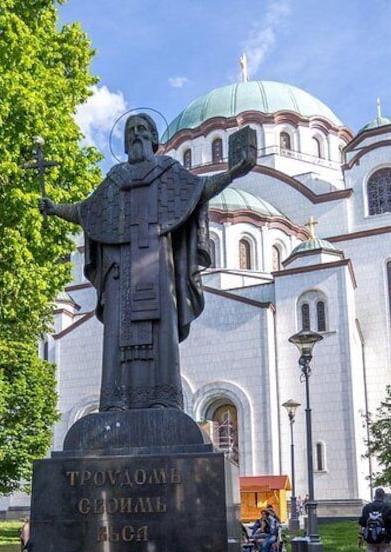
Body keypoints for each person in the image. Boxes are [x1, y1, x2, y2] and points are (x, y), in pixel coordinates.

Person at [40, 113, 255, 411]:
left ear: (154, 139)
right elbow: (87, 211)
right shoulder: (115, 178)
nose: (137, 134)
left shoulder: (170, 172)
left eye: (143, 129)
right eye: (131, 131)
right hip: (119, 274)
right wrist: (55, 208)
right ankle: (114, 403)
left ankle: (163, 400)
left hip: (158, 269)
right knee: (115, 334)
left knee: (161, 333)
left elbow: (199, 190)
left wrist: (232, 173)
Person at [359, 488, 391, 552]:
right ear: (383, 496)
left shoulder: (367, 507)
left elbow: (362, 523)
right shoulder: (388, 507)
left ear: (374, 496)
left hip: (370, 538)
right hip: (385, 539)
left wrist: (360, 537)